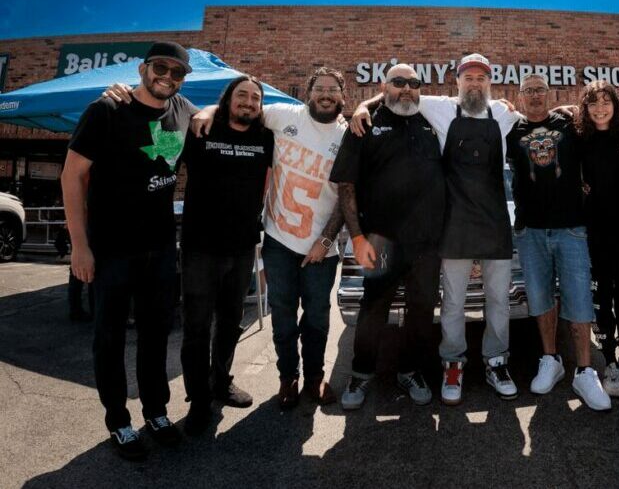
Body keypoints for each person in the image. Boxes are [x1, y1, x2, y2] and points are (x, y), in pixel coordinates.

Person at [351, 53, 521, 404]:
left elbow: (542, 116)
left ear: (490, 83)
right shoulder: (440, 108)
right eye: (468, 78)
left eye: (481, 78)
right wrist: (361, 106)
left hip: (495, 225)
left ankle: (496, 362)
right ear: (457, 82)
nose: (475, 84)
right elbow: (397, 92)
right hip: (455, 224)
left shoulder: (503, 114)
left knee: (499, 300)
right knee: (454, 302)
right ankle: (452, 364)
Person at [62, 41, 196, 460]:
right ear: (142, 68)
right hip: (112, 249)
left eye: (177, 72)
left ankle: (156, 412)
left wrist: (211, 112)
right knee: (110, 338)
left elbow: (209, 115)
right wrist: (79, 246)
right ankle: (119, 421)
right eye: (161, 68)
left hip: (160, 248)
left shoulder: (183, 110)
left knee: (156, 336)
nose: (168, 77)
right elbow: (71, 176)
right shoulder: (106, 110)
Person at [193, 67, 347, 410]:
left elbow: (347, 195)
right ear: (308, 93)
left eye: (333, 90)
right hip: (279, 240)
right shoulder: (282, 115)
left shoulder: (347, 136)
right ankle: (287, 377)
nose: (326, 94)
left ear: (342, 97)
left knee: (318, 318)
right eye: (320, 88)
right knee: (283, 315)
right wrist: (208, 111)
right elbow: (242, 110)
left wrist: (325, 241)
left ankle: (315, 378)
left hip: (321, 247)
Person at [331, 64, 445, 410]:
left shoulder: (431, 121)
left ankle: (410, 371)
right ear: (384, 86)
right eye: (398, 82)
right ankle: (361, 373)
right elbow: (346, 185)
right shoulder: (364, 124)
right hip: (380, 239)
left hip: (426, 242)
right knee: (373, 309)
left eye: (414, 83)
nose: (406, 88)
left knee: (422, 311)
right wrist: (357, 237)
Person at [506, 73, 611, 411]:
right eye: (528, 90)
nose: (535, 95)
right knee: (539, 298)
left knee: (579, 298)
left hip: (571, 228)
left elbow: (604, 124)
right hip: (531, 230)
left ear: (549, 93)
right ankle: (550, 359)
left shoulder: (569, 125)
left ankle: (584, 371)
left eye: (540, 89)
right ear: (520, 97)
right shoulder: (511, 131)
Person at [179, 75, 274, 435]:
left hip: (242, 246)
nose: (248, 102)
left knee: (231, 321)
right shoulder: (201, 130)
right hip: (200, 247)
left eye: (255, 98)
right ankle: (198, 399)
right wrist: (207, 110)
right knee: (197, 327)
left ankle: (221, 381)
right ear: (228, 99)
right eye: (241, 95)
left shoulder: (265, 138)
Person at [576, 81, 619, 398]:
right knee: (601, 301)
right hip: (594, 236)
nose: (600, 108)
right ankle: (610, 362)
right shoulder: (580, 140)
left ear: (616, 105)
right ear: (585, 109)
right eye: (593, 103)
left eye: (606, 101)